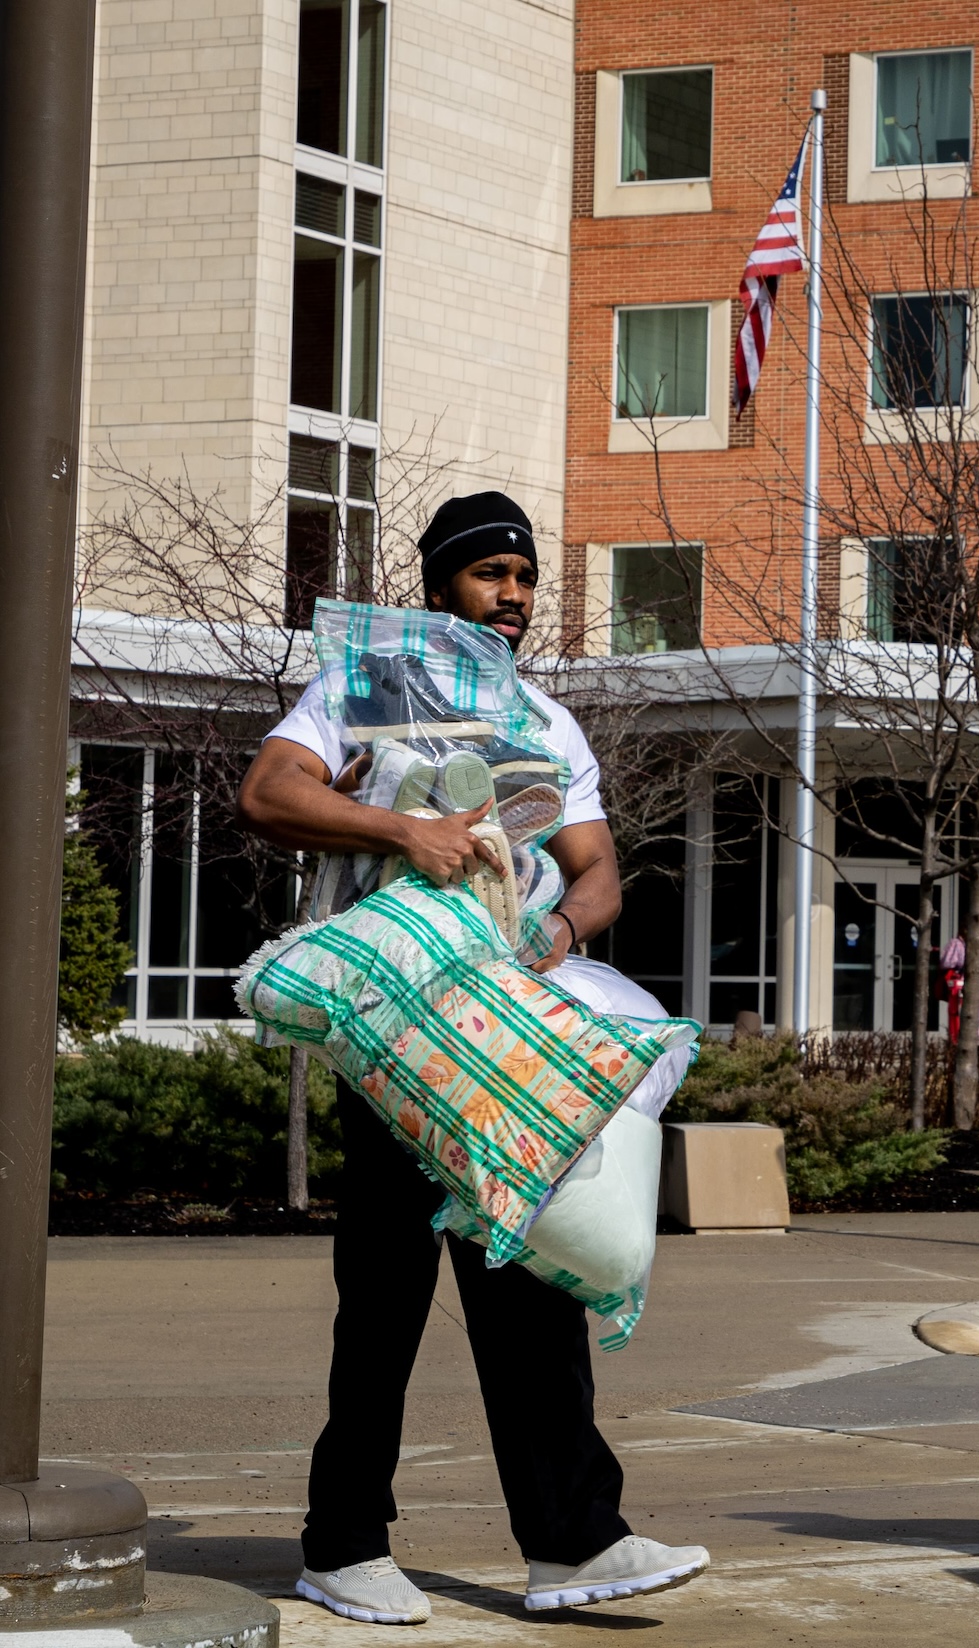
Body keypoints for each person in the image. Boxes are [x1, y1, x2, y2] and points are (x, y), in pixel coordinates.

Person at [236, 492, 710, 1624]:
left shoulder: (547, 722)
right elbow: (268, 790)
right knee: (387, 1294)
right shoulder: (363, 688)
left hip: (506, 1031)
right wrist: (407, 831)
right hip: (399, 1032)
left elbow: (598, 869)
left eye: (525, 575)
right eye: (489, 572)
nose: (513, 594)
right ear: (438, 584)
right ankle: (343, 1546)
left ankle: (574, 1542)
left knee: (532, 1278)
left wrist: (558, 929)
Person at [941, 930, 979, 1044]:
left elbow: (945, 962)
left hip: (959, 981)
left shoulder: (955, 943)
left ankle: (956, 1040)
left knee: (956, 1013)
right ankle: (974, 1042)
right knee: (978, 1014)